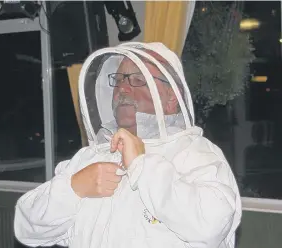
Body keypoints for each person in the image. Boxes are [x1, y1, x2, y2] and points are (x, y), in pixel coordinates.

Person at [14, 42, 242, 248]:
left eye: (137, 79)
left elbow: (212, 224)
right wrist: (74, 188)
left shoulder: (195, 154)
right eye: (120, 79)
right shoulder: (92, 156)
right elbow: (27, 228)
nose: (123, 88)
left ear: (172, 98)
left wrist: (142, 166)